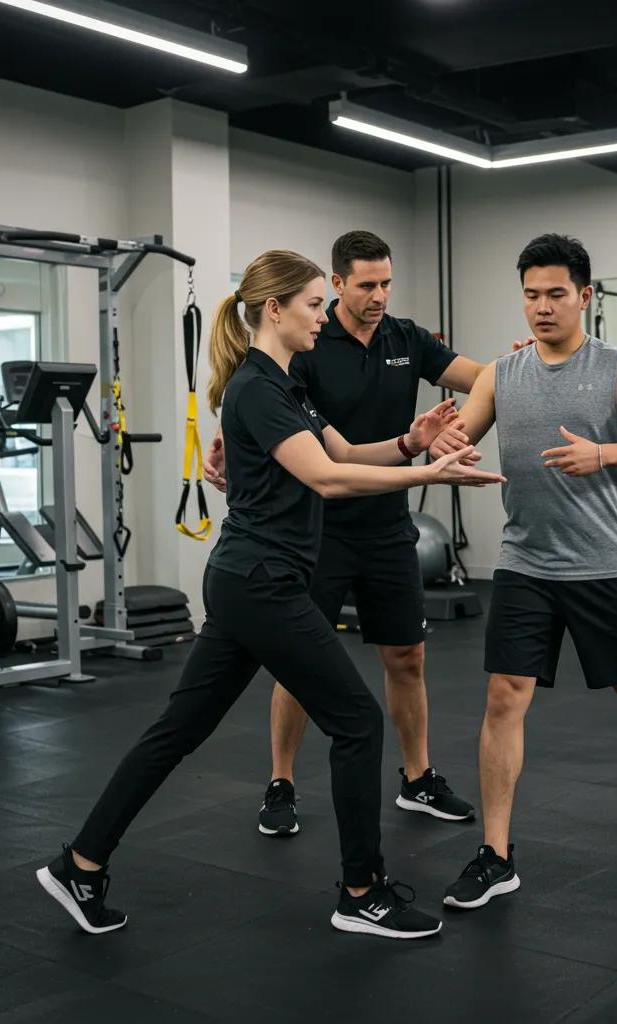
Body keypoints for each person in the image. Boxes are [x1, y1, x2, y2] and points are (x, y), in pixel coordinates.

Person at [35, 249, 504, 941]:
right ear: (275, 309)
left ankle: (80, 863)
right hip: (263, 583)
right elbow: (328, 480)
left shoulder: (286, 385)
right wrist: (435, 474)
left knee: (179, 731)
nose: (324, 316)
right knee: (356, 721)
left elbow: (343, 453)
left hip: (246, 582)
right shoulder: (256, 389)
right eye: (315, 304)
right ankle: (362, 892)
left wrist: (411, 442)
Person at [436, 234, 617, 911]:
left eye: (555, 294)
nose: (542, 307)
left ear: (583, 295)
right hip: (524, 565)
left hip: (602, 564)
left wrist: (606, 455)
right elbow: (459, 439)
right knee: (503, 698)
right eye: (530, 295)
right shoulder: (500, 373)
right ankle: (496, 854)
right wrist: (446, 449)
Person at [204, 230, 490, 836]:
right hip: (319, 530)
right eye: (367, 284)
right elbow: (275, 412)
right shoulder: (305, 341)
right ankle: (281, 780)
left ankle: (417, 779)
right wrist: (230, 441)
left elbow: (482, 378)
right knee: (296, 667)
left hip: (388, 525)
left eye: (387, 282)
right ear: (336, 285)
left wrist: (537, 362)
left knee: (407, 656)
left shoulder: (408, 339)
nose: (380, 294)